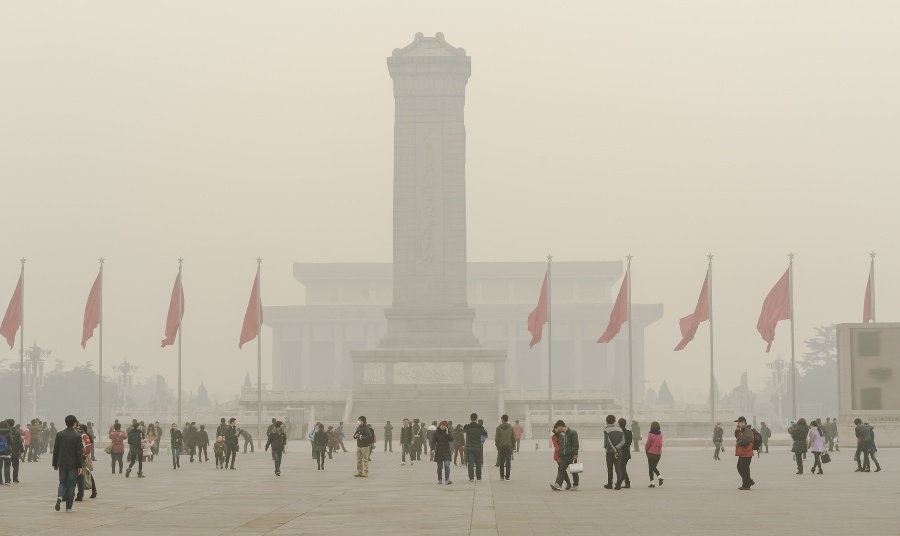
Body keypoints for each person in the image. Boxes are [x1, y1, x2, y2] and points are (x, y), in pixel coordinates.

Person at [53, 415, 84, 513]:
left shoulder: (60, 434)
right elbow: (79, 452)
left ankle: (60, 496)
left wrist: (54, 463)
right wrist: (80, 466)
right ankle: (69, 507)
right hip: (73, 464)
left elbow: (56, 450)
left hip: (62, 463)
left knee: (62, 482)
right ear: (75, 423)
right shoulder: (77, 436)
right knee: (71, 485)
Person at [550, 420, 579, 491]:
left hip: (571, 455)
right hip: (563, 455)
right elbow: (559, 444)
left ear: (560, 426)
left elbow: (576, 444)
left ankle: (575, 485)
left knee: (574, 471)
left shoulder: (573, 433)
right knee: (561, 470)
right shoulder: (561, 434)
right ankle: (558, 484)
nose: (557, 429)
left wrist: (575, 454)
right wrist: (560, 453)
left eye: (558, 427)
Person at [74, 423, 97, 501]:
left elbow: (87, 447)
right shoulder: (84, 435)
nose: (77, 428)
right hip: (85, 456)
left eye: (79, 427)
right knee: (87, 473)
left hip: (84, 457)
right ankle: (94, 490)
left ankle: (90, 491)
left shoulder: (83, 435)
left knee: (85, 473)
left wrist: (84, 455)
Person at [463, 413, 488, 482]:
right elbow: (485, 434)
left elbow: (464, 430)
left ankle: (471, 478)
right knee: (478, 462)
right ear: (476, 418)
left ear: (470, 418)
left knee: (470, 462)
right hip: (477, 446)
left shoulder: (467, 427)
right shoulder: (479, 427)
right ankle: (479, 477)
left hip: (469, 446)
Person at [734, 416, 754, 490]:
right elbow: (737, 437)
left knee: (745, 469)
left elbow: (745, 440)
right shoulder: (741, 430)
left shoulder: (747, 430)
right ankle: (749, 481)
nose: (738, 424)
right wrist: (737, 430)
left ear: (743, 422)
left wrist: (738, 443)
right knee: (739, 467)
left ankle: (746, 485)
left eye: (739, 422)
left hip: (746, 452)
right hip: (743, 452)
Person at [432, 420, 453, 484]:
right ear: (439, 425)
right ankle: (440, 479)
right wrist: (433, 448)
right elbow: (433, 441)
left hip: (446, 450)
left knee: (447, 465)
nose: (443, 427)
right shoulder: (436, 433)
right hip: (439, 451)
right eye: (442, 425)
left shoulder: (447, 432)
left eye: (444, 426)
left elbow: (451, 439)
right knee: (440, 466)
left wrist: (447, 433)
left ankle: (447, 478)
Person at [495, 414, 514, 481]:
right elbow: (513, 438)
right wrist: (513, 447)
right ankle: (507, 476)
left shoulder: (498, 428)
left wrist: (497, 446)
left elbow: (497, 438)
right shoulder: (511, 428)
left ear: (502, 419)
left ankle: (502, 476)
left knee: (501, 462)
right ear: (507, 419)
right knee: (508, 462)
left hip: (501, 447)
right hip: (508, 447)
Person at [644, 421, 664, 487]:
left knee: (651, 468)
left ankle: (652, 482)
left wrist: (646, 449)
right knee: (653, 467)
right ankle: (659, 477)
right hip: (658, 454)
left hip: (651, 453)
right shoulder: (660, 434)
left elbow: (648, 444)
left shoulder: (651, 434)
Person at [618, 418, 633, 488]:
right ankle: (620, 481)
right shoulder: (629, 432)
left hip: (621, 453)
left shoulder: (619, 432)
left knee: (622, 468)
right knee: (622, 467)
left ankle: (627, 482)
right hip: (627, 452)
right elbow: (630, 442)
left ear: (619, 424)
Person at [0, 419, 14, 485]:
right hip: (7, 452)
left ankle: (0, 481)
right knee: (7, 467)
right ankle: (7, 481)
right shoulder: (8, 433)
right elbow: (11, 442)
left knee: (0, 467)